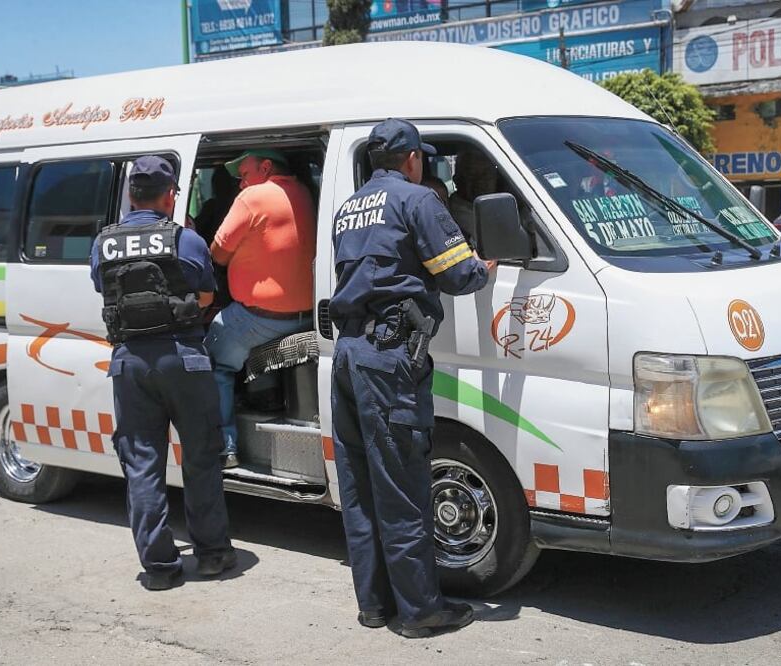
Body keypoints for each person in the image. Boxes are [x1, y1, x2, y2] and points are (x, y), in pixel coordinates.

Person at [329, 119, 495, 638]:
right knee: (402, 483)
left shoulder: (349, 207)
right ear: (412, 159)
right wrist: (485, 266)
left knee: (360, 486)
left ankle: (375, 606)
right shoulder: (418, 200)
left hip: (350, 352)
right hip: (389, 358)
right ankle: (421, 612)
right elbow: (458, 274)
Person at [89, 155, 235, 591]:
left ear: (131, 195)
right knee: (201, 458)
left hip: (130, 362)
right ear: (171, 195)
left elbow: (103, 288)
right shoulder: (186, 240)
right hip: (184, 359)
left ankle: (160, 567)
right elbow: (207, 295)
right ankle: (210, 555)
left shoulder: (104, 243)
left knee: (142, 463)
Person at [206, 149, 316, 468]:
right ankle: (262, 392)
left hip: (259, 319)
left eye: (244, 174)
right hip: (306, 315)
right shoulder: (305, 192)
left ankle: (225, 448)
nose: (240, 184)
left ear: (266, 167)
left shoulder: (253, 197)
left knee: (211, 359)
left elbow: (217, 254)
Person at [448, 149, 499, 240]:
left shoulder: (501, 204)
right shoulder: (457, 213)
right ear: (457, 180)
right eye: (472, 175)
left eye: (486, 174)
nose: (481, 181)